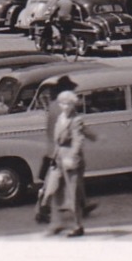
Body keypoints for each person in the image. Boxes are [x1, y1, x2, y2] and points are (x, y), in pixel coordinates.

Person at [33, 75, 78, 226]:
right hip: (58, 150)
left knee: (52, 182)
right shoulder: (61, 108)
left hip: (51, 148)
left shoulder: (53, 105)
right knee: (54, 183)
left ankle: (47, 210)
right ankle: (45, 209)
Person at [50, 90, 95, 237]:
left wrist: (72, 156)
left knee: (73, 193)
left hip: (72, 161)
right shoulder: (60, 118)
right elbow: (57, 140)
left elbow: (78, 140)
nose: (64, 106)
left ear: (72, 104)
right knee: (56, 190)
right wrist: (54, 157)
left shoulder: (76, 120)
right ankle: (59, 222)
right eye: (62, 103)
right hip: (60, 159)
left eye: (68, 104)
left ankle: (78, 226)